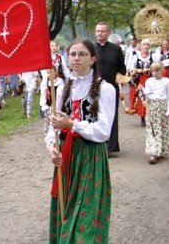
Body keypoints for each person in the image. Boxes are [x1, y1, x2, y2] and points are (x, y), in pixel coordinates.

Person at [45, 38, 115, 243]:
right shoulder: (64, 87)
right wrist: (51, 148)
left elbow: (103, 131)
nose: (76, 58)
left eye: (82, 54)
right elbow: (53, 126)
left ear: (92, 59)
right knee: (65, 209)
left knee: (87, 215)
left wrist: (73, 125)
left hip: (91, 158)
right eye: (73, 54)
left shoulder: (105, 89)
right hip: (68, 156)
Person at [95, 22, 126, 154]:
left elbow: (122, 69)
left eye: (102, 31)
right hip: (93, 87)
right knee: (94, 115)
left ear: (108, 33)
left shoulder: (115, 49)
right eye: (97, 31)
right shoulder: (90, 48)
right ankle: (96, 144)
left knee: (110, 116)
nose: (99, 34)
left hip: (111, 88)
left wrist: (120, 77)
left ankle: (110, 147)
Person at [139, 62, 169, 164]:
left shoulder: (166, 81)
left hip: (162, 107)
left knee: (162, 128)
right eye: (152, 71)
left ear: (162, 70)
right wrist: (142, 91)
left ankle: (160, 150)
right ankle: (153, 152)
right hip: (152, 107)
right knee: (153, 129)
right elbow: (147, 95)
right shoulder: (149, 81)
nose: (154, 73)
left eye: (157, 71)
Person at [40, 40, 70, 135]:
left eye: (55, 45)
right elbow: (43, 70)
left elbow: (65, 69)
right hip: (48, 80)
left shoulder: (60, 57)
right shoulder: (45, 58)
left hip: (58, 80)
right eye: (51, 45)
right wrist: (48, 77)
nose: (54, 47)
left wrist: (69, 79)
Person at [128, 38, 154, 127]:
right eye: (144, 45)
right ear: (141, 46)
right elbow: (132, 68)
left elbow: (156, 66)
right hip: (140, 79)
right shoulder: (136, 56)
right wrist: (136, 70)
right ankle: (142, 117)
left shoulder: (152, 56)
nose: (146, 47)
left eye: (147, 45)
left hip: (150, 79)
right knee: (141, 97)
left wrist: (150, 69)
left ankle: (150, 116)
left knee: (150, 96)